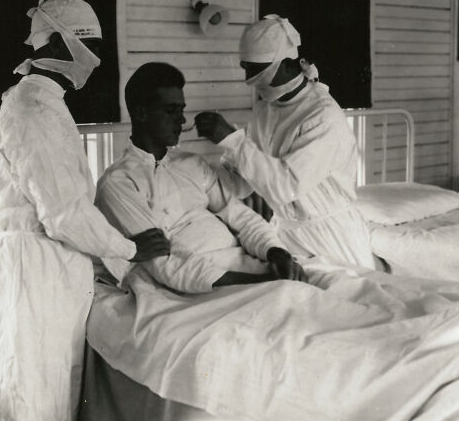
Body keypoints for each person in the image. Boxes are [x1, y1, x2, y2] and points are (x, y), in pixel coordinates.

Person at [0, 0, 170, 421]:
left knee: (30, 404)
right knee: (31, 408)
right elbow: (65, 214)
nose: (93, 61)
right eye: (85, 46)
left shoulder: (46, 107)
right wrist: (128, 250)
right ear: (56, 43)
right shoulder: (33, 109)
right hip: (34, 278)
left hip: (41, 274)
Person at [95, 62, 305, 294]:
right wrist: (260, 283)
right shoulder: (118, 182)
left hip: (246, 266)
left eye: (181, 110)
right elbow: (166, 263)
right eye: (170, 110)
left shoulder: (192, 163)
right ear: (142, 113)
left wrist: (277, 252)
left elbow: (242, 218)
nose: (182, 120)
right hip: (199, 286)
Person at [194, 15, 376, 270]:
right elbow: (249, 177)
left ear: (289, 65)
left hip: (330, 236)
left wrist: (233, 140)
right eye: (247, 69)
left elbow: (284, 186)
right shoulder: (265, 110)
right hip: (285, 234)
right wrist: (199, 178)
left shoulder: (321, 115)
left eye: (259, 72)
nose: (253, 80)